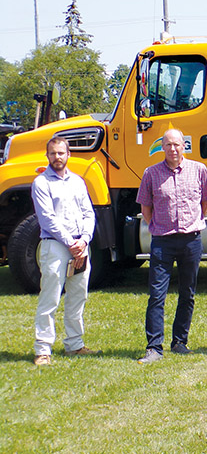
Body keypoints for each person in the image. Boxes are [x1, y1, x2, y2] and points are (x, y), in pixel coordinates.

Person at [136, 129, 207, 364]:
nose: (173, 149)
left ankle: (180, 342)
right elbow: (146, 208)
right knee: (157, 295)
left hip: (191, 240)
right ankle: (154, 348)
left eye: (177, 144)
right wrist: (159, 227)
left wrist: (193, 223)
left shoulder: (199, 170)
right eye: (168, 145)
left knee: (187, 293)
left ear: (184, 146)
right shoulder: (151, 173)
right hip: (162, 241)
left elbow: (205, 203)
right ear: (162, 147)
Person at [31, 136, 100, 366]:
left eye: (61, 153)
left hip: (80, 247)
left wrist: (85, 240)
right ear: (47, 155)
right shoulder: (41, 183)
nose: (57, 157)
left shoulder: (78, 182)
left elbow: (89, 213)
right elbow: (48, 219)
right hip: (55, 246)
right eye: (53, 153)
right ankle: (43, 350)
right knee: (49, 298)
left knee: (78, 296)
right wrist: (72, 243)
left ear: (68, 154)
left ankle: (74, 344)